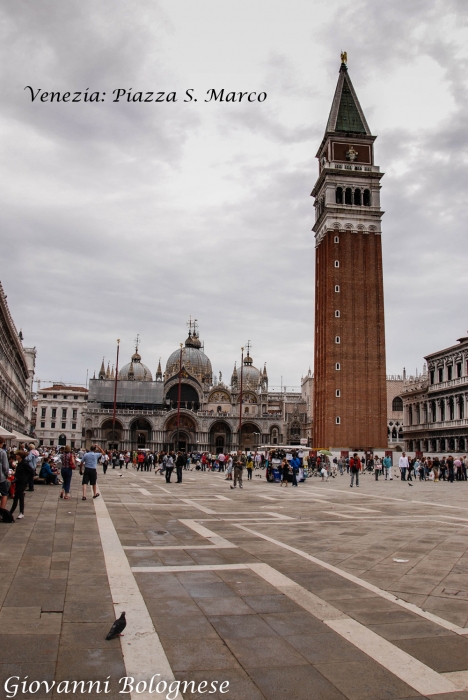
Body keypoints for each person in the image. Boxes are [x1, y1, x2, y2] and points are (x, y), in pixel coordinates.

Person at [10, 450, 35, 519]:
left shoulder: (25, 463)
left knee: (16, 497)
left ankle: (11, 512)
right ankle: (21, 512)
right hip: (18, 481)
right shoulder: (19, 463)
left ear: (20, 456)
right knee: (21, 497)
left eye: (17, 455)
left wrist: (28, 479)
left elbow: (32, 471)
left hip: (23, 482)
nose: (16, 456)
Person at [0, 440, 10, 510]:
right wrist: (7, 474)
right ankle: (1, 511)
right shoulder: (2, 452)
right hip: (1, 477)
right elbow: (5, 466)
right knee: (4, 494)